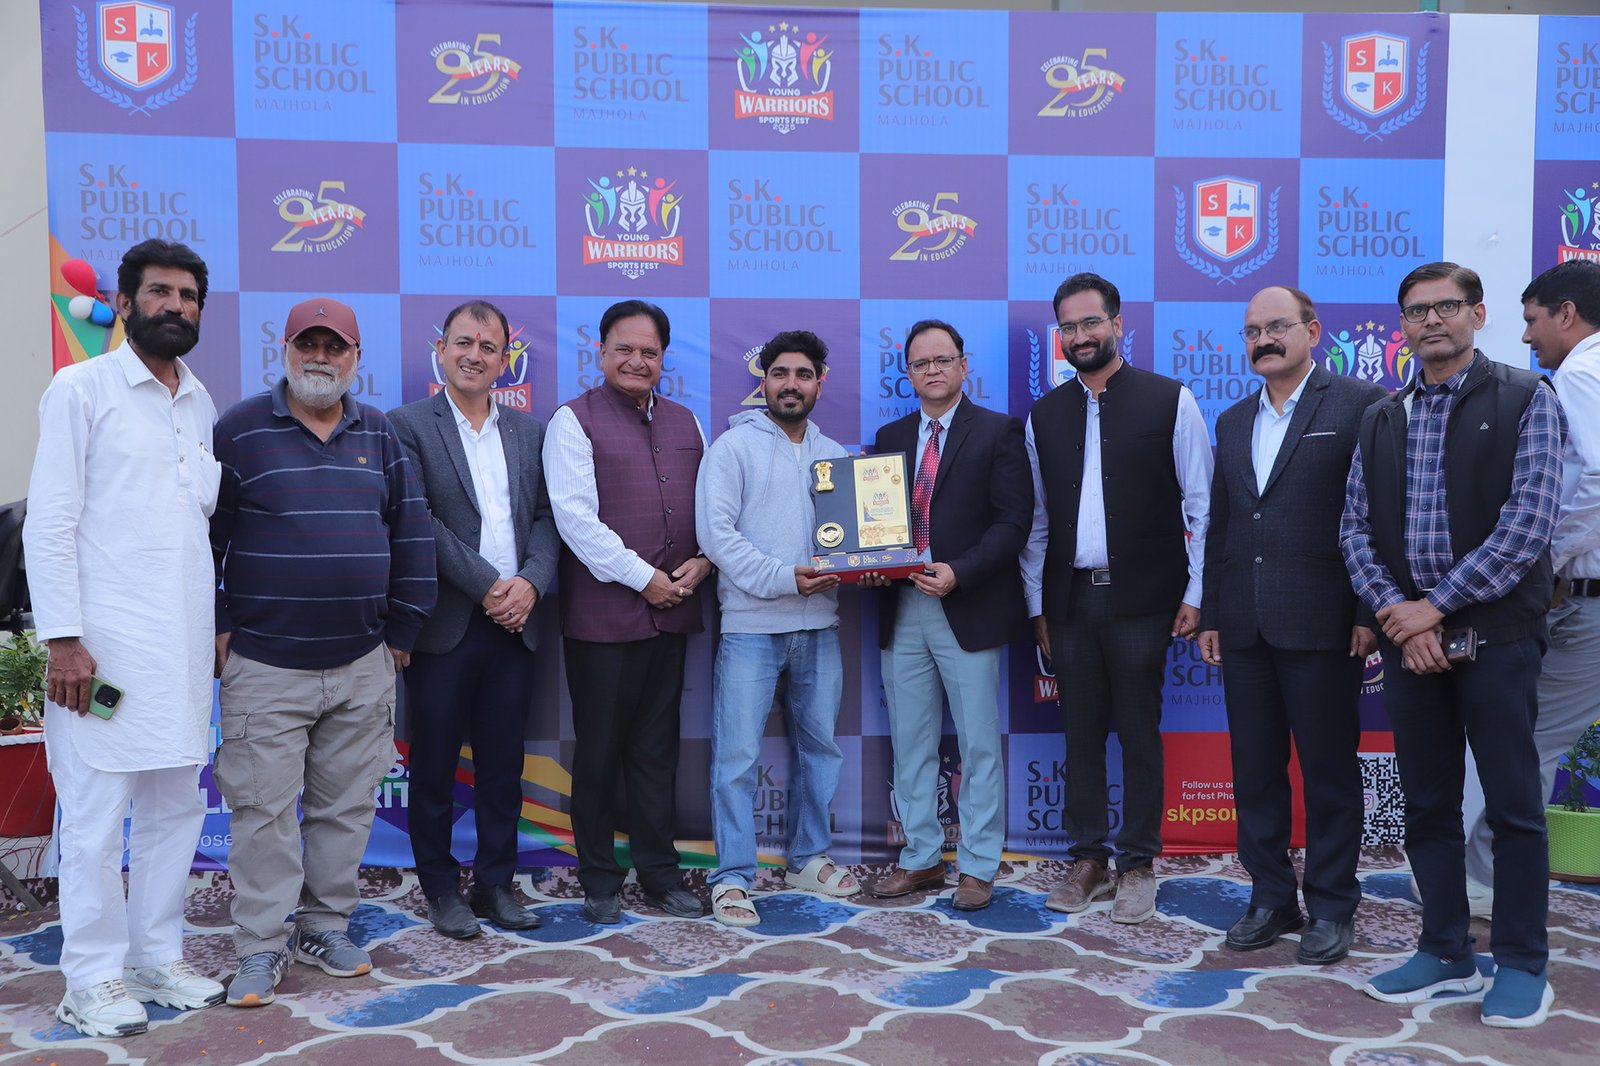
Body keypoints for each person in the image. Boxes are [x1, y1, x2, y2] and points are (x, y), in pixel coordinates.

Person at [1341, 261, 1565, 1028]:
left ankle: (1524, 964)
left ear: (1477, 313)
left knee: (1513, 807)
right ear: (1401, 325)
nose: (1431, 320)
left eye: (1447, 306)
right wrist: (1398, 614)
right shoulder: (1383, 415)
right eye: (1416, 310)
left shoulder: (1526, 397)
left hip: (1497, 638)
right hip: (1411, 645)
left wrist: (1432, 608)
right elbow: (1355, 530)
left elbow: (1528, 525)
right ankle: (1444, 950)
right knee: (1428, 805)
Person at [24, 239, 225, 1036]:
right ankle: (93, 978)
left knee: (176, 810)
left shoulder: (201, 404)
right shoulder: (81, 389)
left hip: (181, 654)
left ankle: (155, 956)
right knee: (97, 818)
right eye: (159, 292)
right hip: (99, 658)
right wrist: (63, 640)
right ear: (125, 301)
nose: (174, 306)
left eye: (188, 296)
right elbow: (50, 522)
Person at [210, 298, 436, 1007]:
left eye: (334, 346)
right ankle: (260, 945)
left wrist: (402, 633)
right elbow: (203, 539)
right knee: (264, 814)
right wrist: (217, 623)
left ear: (355, 358)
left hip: (363, 663)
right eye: (307, 343)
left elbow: (412, 533)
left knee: (345, 809)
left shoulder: (381, 433)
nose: (320, 357)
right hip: (265, 664)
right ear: (283, 350)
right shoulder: (240, 430)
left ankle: (324, 926)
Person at [1197, 286, 1386, 964]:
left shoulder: (1361, 405)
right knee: (1255, 773)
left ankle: (1332, 906)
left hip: (1326, 623)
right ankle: (1271, 897)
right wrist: (1213, 613)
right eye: (1252, 331)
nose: (1263, 340)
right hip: (1245, 625)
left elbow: (1378, 514)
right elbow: (1222, 523)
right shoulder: (1232, 420)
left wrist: (1368, 611)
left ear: (1313, 330)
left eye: (1277, 326)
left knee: (1329, 773)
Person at [1021, 272, 1212, 924]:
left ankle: (1136, 862)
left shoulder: (1170, 400)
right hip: (1070, 602)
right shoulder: (1044, 415)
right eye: (1068, 327)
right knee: (1078, 735)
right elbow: (1038, 522)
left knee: (1137, 732)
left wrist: (1197, 592)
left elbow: (1202, 507)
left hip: (1144, 601)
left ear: (1118, 324)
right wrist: (1037, 606)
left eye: (1090, 322)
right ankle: (1087, 858)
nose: (1080, 335)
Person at [389, 300, 559, 939]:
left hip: (517, 624)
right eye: (464, 342)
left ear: (505, 359)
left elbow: (546, 518)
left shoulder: (530, 431)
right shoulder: (407, 425)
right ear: (441, 350)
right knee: (433, 768)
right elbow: (418, 520)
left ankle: (495, 884)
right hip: (445, 625)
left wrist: (530, 585)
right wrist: (490, 587)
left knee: (502, 767)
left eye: (489, 347)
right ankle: (440, 889)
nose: (474, 355)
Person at [542, 300, 711, 924]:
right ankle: (599, 880)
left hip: (673, 613)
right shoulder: (572, 420)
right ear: (601, 352)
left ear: (663, 359)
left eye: (649, 352)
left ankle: (660, 875)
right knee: (599, 752)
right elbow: (575, 521)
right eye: (625, 349)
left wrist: (705, 562)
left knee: (657, 751)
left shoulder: (688, 421)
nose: (637, 361)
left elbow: (711, 508)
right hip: (603, 622)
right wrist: (646, 580)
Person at [864, 320, 1032, 912]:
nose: (932, 370)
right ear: (908, 375)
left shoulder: (998, 430)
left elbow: (1013, 522)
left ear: (964, 366)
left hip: (967, 604)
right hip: (902, 605)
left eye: (942, 359)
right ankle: (921, 858)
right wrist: (871, 564)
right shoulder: (889, 437)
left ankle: (979, 865)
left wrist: (960, 570)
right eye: (920, 363)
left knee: (979, 743)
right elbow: (875, 525)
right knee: (910, 743)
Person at [696, 330, 855, 926]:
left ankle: (808, 858)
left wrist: (868, 564)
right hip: (750, 628)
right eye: (780, 373)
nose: (792, 384)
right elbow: (717, 538)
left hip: (820, 628)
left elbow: (852, 543)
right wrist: (786, 578)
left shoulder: (835, 455)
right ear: (763, 381)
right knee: (737, 758)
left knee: (821, 751)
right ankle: (733, 876)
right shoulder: (732, 448)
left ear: (819, 383)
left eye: (803, 374)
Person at [1458, 259, 1600, 916]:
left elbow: (1594, 481)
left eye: (1532, 319)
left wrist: (1543, 559)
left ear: (1566, 313)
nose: (1525, 336)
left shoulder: (1579, 375)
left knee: (1529, 744)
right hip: (1583, 594)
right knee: (1531, 740)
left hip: (1585, 597)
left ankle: (1489, 883)